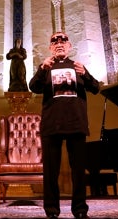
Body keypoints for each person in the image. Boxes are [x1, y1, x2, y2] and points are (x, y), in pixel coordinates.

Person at [29, 31, 100, 219]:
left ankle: (80, 210)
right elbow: (33, 87)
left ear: (69, 46)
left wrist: (86, 74)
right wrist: (42, 68)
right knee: (51, 172)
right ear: (50, 47)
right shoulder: (46, 67)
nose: (59, 42)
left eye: (63, 40)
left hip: (76, 124)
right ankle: (52, 211)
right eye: (54, 40)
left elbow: (96, 88)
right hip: (52, 125)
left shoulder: (78, 67)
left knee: (78, 171)